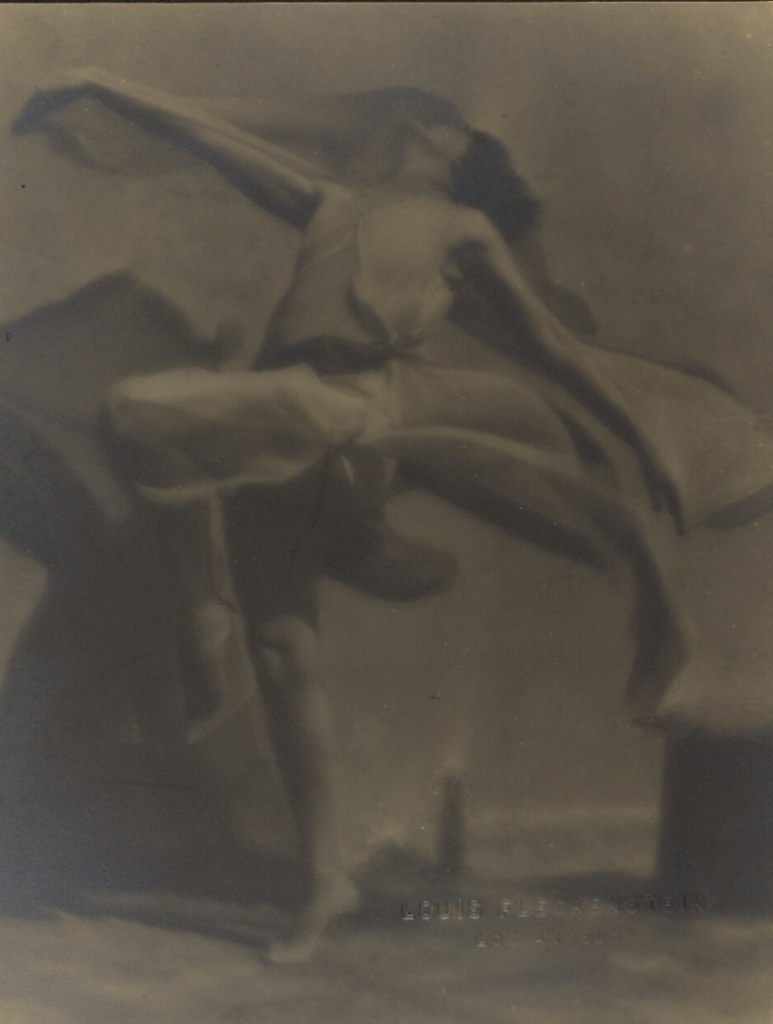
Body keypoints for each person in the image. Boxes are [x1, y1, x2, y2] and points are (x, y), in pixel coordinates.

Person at [14, 69, 773, 960]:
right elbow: (208, 137)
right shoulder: (329, 202)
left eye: (437, 126)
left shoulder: (463, 228)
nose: (413, 126)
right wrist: (101, 83)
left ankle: (222, 604)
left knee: (140, 408)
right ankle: (322, 881)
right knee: (282, 649)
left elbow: (557, 351)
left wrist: (647, 442)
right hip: (274, 429)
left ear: (450, 155)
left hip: (349, 408)